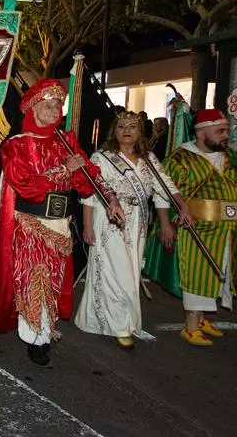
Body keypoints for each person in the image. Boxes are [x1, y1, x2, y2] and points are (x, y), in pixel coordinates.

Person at [0, 79, 125, 366]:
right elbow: (25, 185)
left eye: (58, 106)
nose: (55, 110)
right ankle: (36, 338)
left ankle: (42, 331)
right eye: (49, 105)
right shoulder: (17, 145)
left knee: (54, 280)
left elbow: (88, 178)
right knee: (34, 278)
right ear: (33, 108)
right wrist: (63, 170)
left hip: (61, 226)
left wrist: (111, 198)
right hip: (31, 224)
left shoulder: (67, 142)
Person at [75, 112, 192, 348]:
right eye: (121, 126)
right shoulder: (102, 157)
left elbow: (165, 186)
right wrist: (87, 225)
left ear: (140, 132)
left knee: (130, 272)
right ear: (114, 131)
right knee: (119, 273)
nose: (126, 130)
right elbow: (90, 192)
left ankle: (110, 321)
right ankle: (121, 326)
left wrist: (183, 206)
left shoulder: (148, 158)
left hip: (138, 221)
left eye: (132, 126)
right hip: (109, 220)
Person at [163, 108, 237, 346]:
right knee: (198, 273)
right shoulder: (180, 158)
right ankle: (191, 326)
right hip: (196, 229)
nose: (225, 135)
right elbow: (163, 193)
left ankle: (201, 319)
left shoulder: (229, 157)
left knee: (218, 273)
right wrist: (165, 224)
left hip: (227, 230)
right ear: (202, 133)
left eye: (226, 130)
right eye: (220, 131)